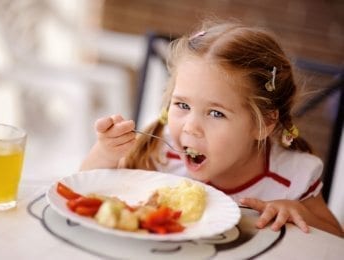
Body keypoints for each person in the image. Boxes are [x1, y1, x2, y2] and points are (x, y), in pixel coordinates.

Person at [80, 21, 343, 237]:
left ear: (264, 124)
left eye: (216, 113)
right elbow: (86, 195)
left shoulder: (289, 178)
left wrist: (297, 211)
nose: (191, 127)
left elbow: (336, 240)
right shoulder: (161, 152)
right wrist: (105, 154)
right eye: (182, 104)